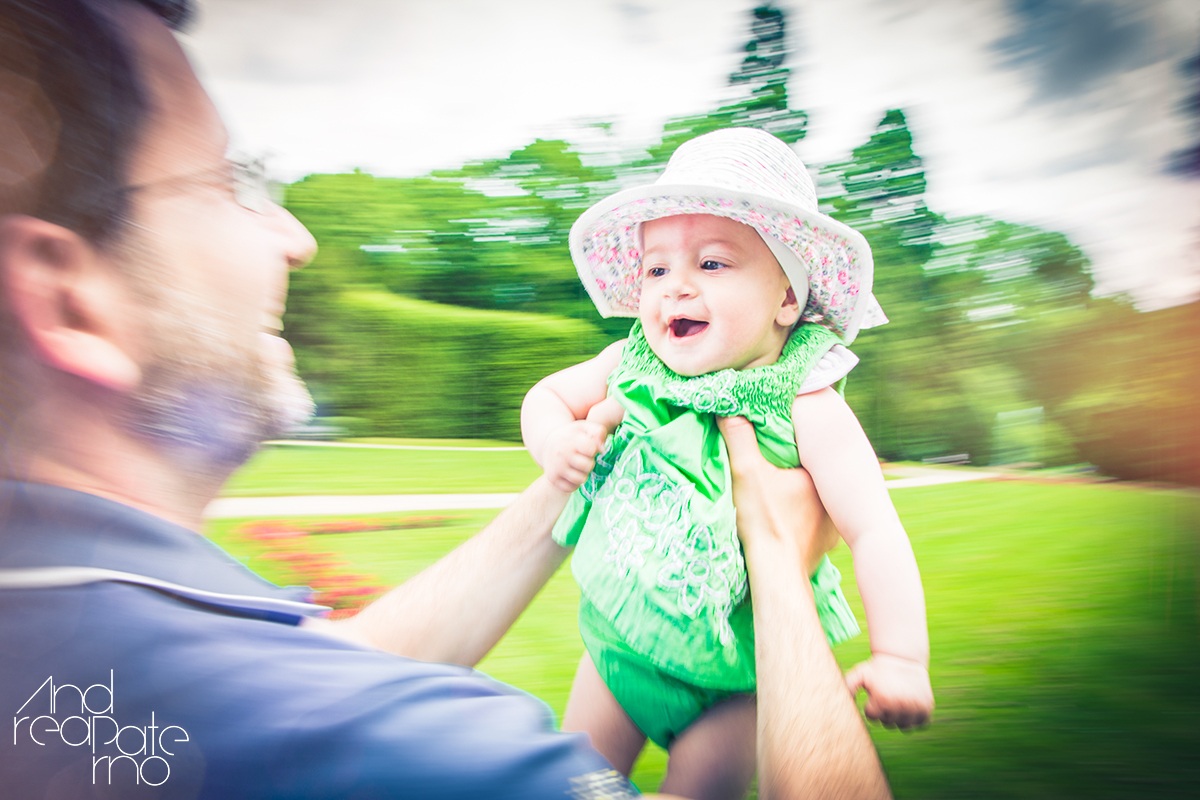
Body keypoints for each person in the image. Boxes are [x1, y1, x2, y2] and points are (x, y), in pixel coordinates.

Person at [0, 1, 892, 797]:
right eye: (231, 184)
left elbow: (328, 668)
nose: (296, 237)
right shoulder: (444, 762)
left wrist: (574, 480)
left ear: (787, 296)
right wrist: (774, 557)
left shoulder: (71, 623)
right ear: (69, 298)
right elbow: (308, 702)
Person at [522, 127, 933, 798]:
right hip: (621, 642)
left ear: (786, 299)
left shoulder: (806, 401)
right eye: (656, 270)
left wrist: (901, 656)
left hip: (741, 678)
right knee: (572, 785)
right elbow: (546, 396)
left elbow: (874, 528)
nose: (675, 288)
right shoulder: (631, 363)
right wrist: (553, 442)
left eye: (712, 264)